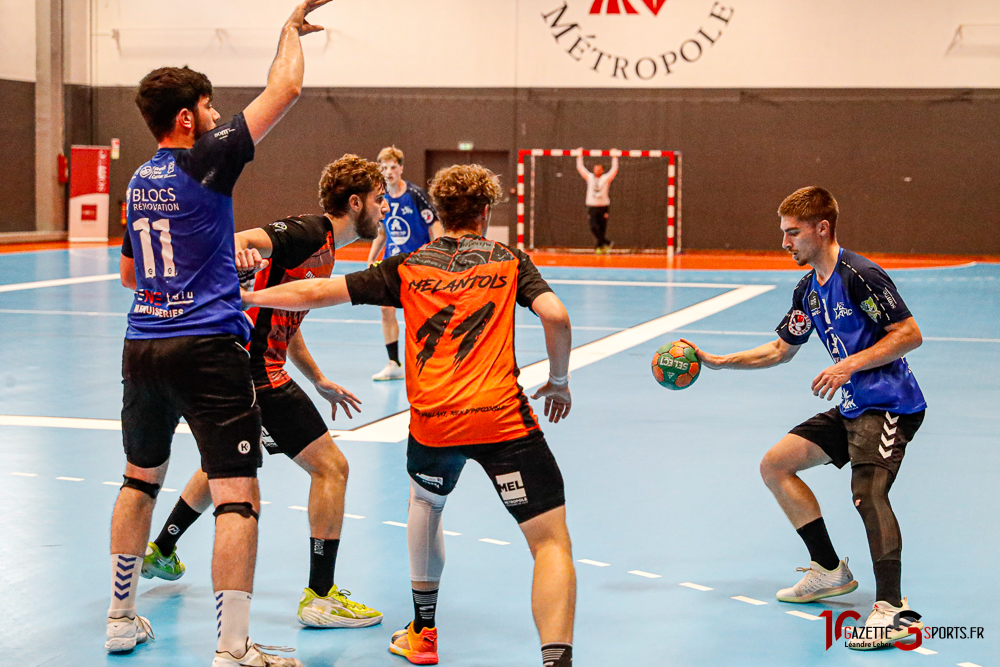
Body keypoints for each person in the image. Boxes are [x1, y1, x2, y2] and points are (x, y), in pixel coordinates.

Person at [243, 164, 578, 667]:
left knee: (426, 504)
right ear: (485, 213)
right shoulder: (509, 260)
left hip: (435, 424)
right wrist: (557, 380)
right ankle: (556, 659)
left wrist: (247, 295)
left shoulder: (408, 265)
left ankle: (423, 631)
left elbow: (316, 293)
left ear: (439, 213)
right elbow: (555, 315)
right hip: (502, 421)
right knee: (550, 542)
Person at [108, 2, 330, 665]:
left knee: (139, 479)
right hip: (206, 348)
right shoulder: (207, 157)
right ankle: (233, 650)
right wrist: (289, 31)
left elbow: (129, 274)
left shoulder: (139, 180)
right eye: (208, 108)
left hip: (142, 343)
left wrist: (192, 259)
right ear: (187, 118)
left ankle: (120, 616)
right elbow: (285, 88)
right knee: (238, 492)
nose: (216, 117)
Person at [121, 155, 387, 628]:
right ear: (354, 202)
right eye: (379, 199)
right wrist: (241, 253)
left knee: (224, 466)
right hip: (256, 374)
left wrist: (319, 379)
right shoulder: (309, 232)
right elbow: (243, 240)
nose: (385, 207)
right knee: (331, 468)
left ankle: (162, 549)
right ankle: (321, 597)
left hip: (256, 368)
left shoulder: (327, 249)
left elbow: (285, 317)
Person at [685, 186, 927, 650]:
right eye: (783, 233)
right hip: (854, 404)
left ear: (822, 228)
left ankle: (893, 609)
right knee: (776, 465)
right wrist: (718, 361)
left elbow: (909, 334)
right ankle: (829, 571)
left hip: (890, 404)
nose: (785, 243)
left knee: (867, 493)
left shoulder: (861, 276)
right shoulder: (808, 292)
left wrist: (847, 365)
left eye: (792, 232)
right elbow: (780, 350)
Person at [366, 146, 442, 381]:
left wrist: (439, 252)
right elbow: (382, 232)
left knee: (419, 314)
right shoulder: (381, 199)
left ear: (401, 168)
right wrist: (371, 258)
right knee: (385, 308)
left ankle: (430, 363)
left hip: (418, 265)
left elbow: (435, 224)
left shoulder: (415, 195)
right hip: (392, 264)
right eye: (384, 167)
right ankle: (394, 363)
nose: (388, 172)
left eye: (392, 167)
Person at [575, 148, 618, 253]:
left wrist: (614, 157)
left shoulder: (606, 178)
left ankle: (600, 247)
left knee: (602, 228)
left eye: (599, 169)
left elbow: (614, 170)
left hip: (603, 206)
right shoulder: (589, 177)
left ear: (602, 170)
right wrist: (579, 156)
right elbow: (580, 168)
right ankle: (607, 242)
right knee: (594, 227)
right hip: (592, 206)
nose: (597, 170)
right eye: (595, 169)